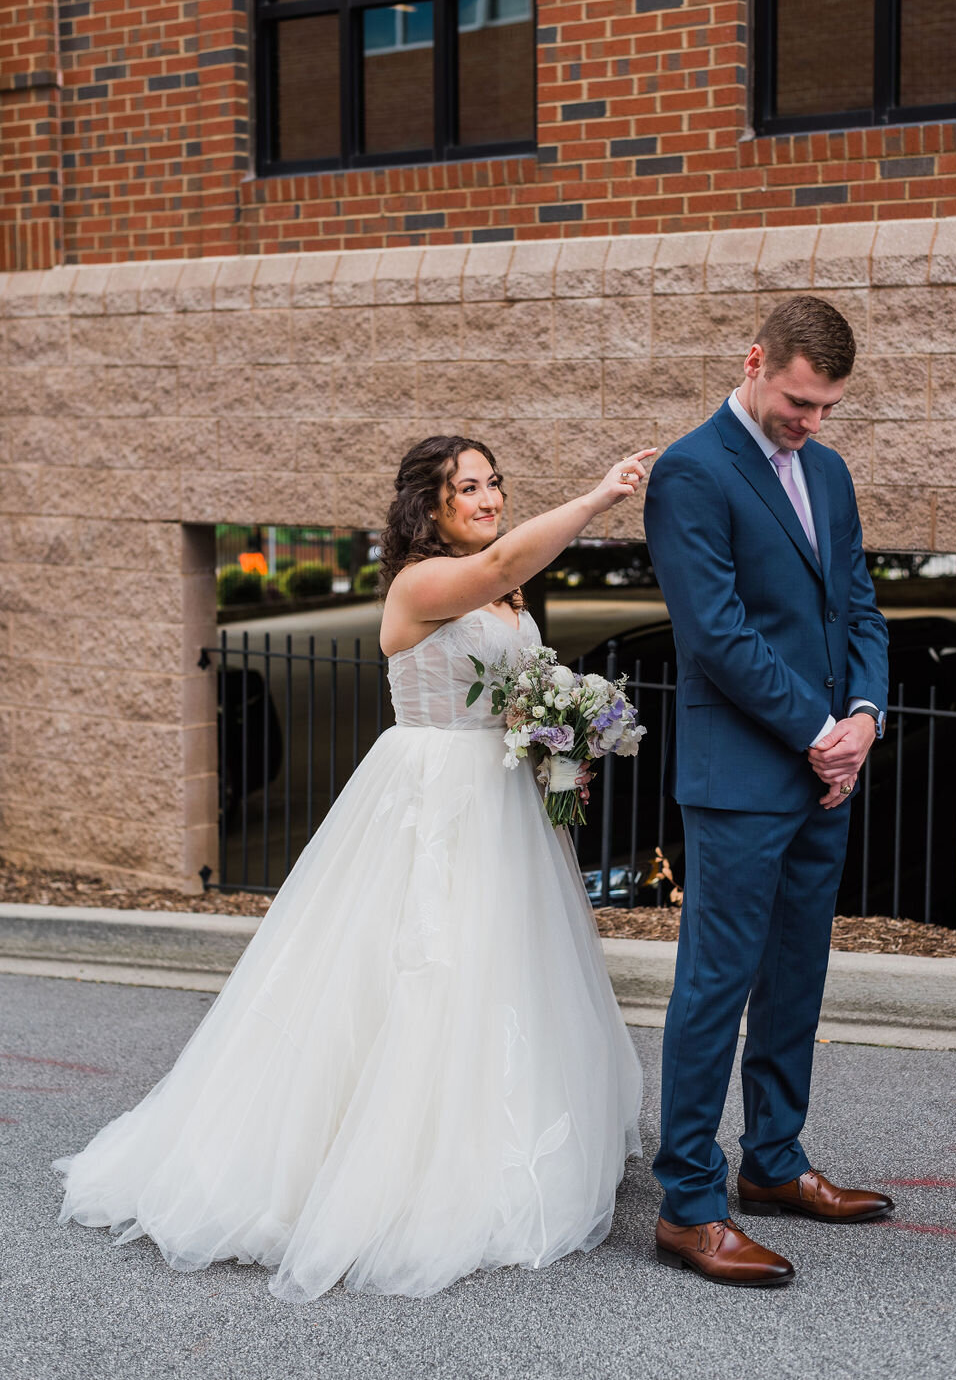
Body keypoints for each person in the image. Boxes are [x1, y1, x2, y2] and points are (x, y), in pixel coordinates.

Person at [55, 436, 652, 1303]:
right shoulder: (423, 583)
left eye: (494, 484)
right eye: (468, 489)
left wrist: (554, 743)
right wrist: (599, 498)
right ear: (430, 506)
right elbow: (516, 556)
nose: (488, 499)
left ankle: (496, 1136)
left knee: (501, 970)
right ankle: (388, 1166)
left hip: (503, 801)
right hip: (433, 796)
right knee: (421, 968)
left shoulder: (499, 581)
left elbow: (510, 675)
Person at [643, 295, 892, 1289]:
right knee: (716, 984)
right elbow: (716, 634)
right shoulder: (689, 471)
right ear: (755, 361)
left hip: (824, 774)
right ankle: (687, 1203)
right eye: (798, 400)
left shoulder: (827, 473)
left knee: (797, 977)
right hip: (743, 777)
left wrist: (865, 713)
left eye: (827, 407)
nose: (812, 422)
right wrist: (818, 732)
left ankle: (774, 1164)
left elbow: (860, 608)